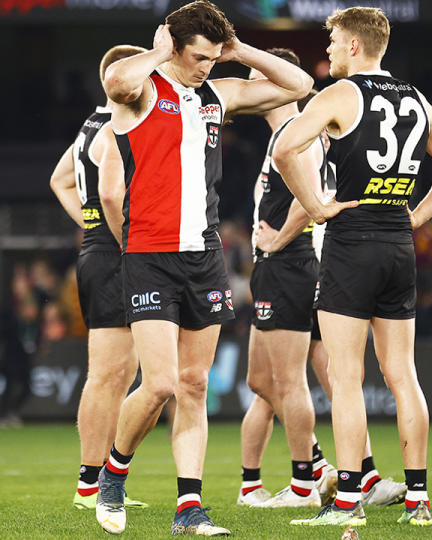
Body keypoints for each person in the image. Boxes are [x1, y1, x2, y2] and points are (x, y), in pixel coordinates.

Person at [93, 1, 351, 535]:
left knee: (193, 383)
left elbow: (300, 83)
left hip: (204, 258)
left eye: (214, 57)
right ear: (174, 48)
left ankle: (190, 509)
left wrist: (240, 51)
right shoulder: (142, 90)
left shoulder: (218, 95)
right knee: (160, 383)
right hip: (149, 254)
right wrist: (161, 51)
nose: (207, 66)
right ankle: (112, 472)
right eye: (200, 57)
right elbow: (117, 79)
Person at [273, 6, 432, 528]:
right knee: (403, 374)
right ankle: (418, 500)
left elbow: (284, 148)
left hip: (351, 241)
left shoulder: (340, 95)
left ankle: (346, 503)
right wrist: (417, 217)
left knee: (346, 378)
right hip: (396, 245)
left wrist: (315, 205)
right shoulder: (414, 98)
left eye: (335, 42)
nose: (330, 51)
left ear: (356, 47)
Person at [236, 47, 405, 510]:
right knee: (277, 379)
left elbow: (309, 196)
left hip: (291, 265)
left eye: (257, 80)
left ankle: (309, 480)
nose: (250, 91)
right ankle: (359, 474)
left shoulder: (296, 134)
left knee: (294, 381)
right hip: (290, 266)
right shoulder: (288, 136)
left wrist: (277, 241)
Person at [48, 44, 149, 511]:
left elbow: (60, 181)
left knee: (119, 374)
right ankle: (91, 484)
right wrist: (113, 234)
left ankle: (100, 483)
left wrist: (87, 227)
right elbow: (110, 196)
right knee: (110, 374)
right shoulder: (115, 125)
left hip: (101, 248)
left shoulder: (91, 123)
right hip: (116, 251)